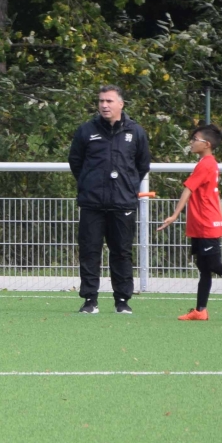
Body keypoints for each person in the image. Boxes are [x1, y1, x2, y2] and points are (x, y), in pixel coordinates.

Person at [159, 124, 222, 322]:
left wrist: (174, 215)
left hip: (206, 223)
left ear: (206, 144)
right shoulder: (208, 164)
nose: (191, 142)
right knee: (204, 267)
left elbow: (188, 189)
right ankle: (200, 310)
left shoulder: (206, 164)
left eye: (194, 139)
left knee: (214, 265)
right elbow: (214, 194)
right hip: (202, 223)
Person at [67, 84, 151, 314]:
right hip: (92, 203)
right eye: (101, 101)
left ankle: (122, 301)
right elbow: (76, 161)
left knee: (122, 252)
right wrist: (88, 183)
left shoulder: (136, 132)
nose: (104, 105)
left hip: (123, 203)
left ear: (120, 104)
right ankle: (90, 300)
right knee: (89, 251)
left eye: (109, 101)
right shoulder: (86, 130)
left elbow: (142, 164)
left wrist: (128, 186)